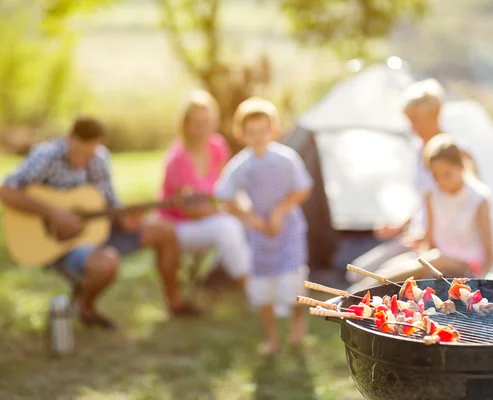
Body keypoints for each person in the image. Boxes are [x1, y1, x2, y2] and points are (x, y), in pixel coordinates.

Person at [0, 117, 199, 330]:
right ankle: (85, 307)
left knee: (165, 231)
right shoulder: (46, 156)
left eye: (89, 154)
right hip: (59, 243)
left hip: (99, 231)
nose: (83, 161)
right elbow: (6, 191)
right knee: (107, 263)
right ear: (68, 138)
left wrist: (127, 220)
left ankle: (175, 302)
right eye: (79, 153)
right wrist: (53, 213)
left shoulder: (100, 159)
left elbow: (111, 207)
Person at [346, 78, 479, 284]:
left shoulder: (457, 153)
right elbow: (423, 200)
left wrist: (431, 237)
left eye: (416, 120)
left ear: (434, 116)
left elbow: (472, 204)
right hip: (416, 234)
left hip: (440, 244)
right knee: (356, 272)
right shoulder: (419, 150)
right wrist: (401, 225)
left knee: (373, 282)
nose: (412, 127)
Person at [215, 97, 313, 356]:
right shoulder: (241, 165)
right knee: (263, 290)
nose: (258, 137)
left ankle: (297, 322)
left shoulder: (286, 158)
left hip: (289, 232)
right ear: (241, 134)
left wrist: (280, 211)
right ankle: (271, 337)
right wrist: (249, 217)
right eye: (252, 132)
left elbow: (303, 188)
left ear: (274, 130)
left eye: (263, 131)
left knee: (292, 284)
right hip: (260, 236)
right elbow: (224, 196)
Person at [349, 134, 493, 292]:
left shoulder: (479, 198)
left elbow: (490, 252)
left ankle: (357, 293)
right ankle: (360, 288)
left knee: (434, 260)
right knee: (395, 265)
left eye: (447, 174)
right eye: (436, 176)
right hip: (436, 258)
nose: (441, 181)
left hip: (467, 264)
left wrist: (479, 280)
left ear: (461, 167)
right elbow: (429, 241)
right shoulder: (432, 194)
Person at [158, 90, 250, 288]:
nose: (203, 129)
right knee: (227, 227)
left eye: (208, 122)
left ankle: (264, 276)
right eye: (197, 123)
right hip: (179, 226)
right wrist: (226, 210)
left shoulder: (217, 146)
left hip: (211, 216)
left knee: (250, 218)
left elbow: (229, 186)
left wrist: (242, 210)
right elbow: (190, 210)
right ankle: (250, 285)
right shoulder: (178, 158)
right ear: (186, 124)